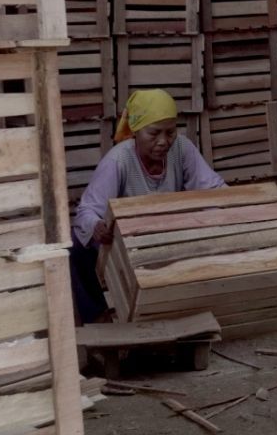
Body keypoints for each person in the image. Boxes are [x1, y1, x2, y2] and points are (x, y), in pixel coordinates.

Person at [70, 88, 225, 322]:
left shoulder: (182, 148)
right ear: (135, 131)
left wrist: (226, 215)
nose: (163, 141)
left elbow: (212, 188)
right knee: (76, 248)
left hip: (168, 234)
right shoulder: (118, 161)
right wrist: (97, 226)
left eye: (170, 132)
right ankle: (98, 317)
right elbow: (87, 211)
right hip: (129, 243)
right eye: (153, 133)